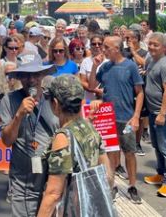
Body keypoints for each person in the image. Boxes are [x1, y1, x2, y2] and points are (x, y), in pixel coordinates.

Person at [37, 75, 113, 217]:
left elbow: (53, 194)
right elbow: (108, 176)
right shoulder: (90, 128)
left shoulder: (63, 138)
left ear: (55, 103)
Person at [0, 57, 58, 216]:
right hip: (23, 182)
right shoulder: (9, 100)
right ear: (19, 77)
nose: (31, 80)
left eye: (36, 74)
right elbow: (6, 141)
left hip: (52, 180)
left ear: (43, 75)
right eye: (26, 75)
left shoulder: (53, 99)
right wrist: (19, 115)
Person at [96, 35, 145, 204]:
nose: (103, 50)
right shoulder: (105, 67)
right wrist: (95, 65)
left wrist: (136, 116)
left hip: (127, 118)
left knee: (130, 152)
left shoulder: (130, 66)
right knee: (110, 153)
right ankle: (112, 185)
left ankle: (132, 186)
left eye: (106, 47)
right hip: (108, 118)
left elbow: (139, 92)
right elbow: (92, 84)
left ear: (116, 49)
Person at [141, 33, 166, 198]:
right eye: (150, 44)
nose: (151, 47)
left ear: (164, 48)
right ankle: (161, 173)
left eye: (155, 45)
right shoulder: (151, 61)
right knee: (157, 146)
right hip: (152, 112)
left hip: (162, 113)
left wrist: (163, 114)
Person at [79, 34, 106, 103]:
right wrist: (96, 91)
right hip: (90, 100)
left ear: (103, 45)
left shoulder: (109, 61)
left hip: (105, 100)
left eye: (99, 44)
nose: (97, 46)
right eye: (94, 44)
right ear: (90, 46)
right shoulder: (85, 61)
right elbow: (83, 81)